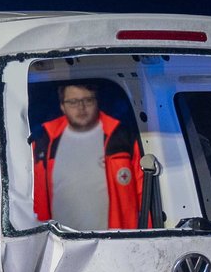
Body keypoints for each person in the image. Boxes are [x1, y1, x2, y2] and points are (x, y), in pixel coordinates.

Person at [30, 81, 143, 229]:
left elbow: (143, 195)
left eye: (87, 100)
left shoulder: (122, 137)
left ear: (97, 102)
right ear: (62, 106)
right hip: (61, 245)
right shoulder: (43, 142)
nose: (81, 107)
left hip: (116, 243)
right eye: (73, 102)